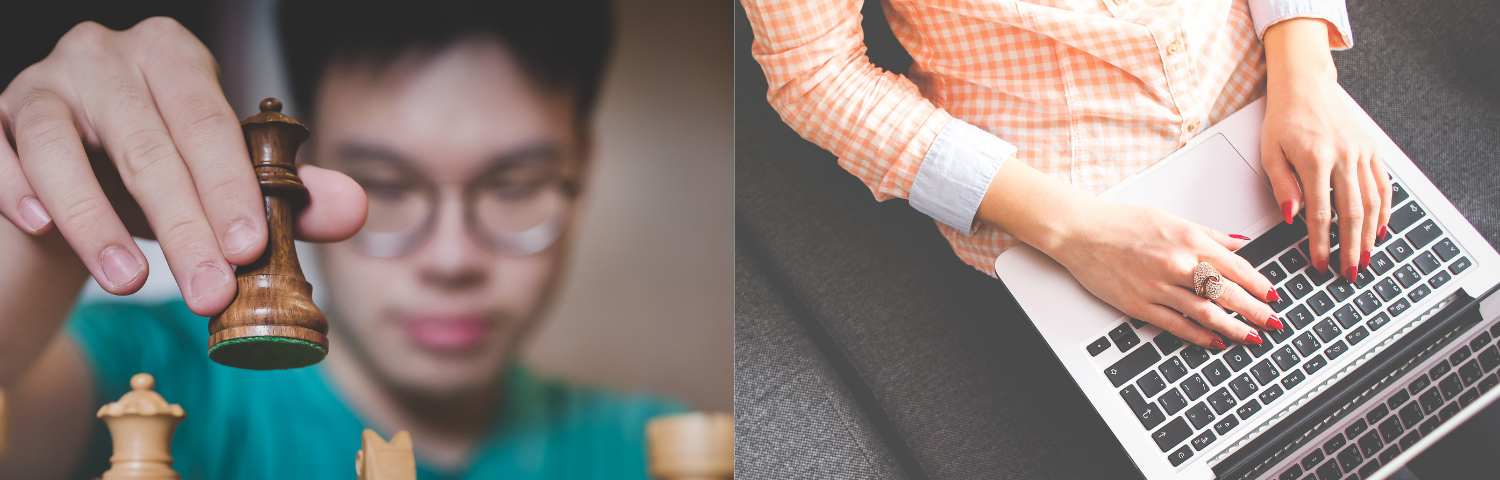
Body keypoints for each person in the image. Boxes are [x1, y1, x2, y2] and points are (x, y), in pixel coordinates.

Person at [0, 1, 685, 478]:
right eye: (385, 186)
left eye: (514, 187)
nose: (451, 261)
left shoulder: (658, 449)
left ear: (583, 166)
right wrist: (34, 240)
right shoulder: (146, 372)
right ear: (310, 171)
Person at [742, 0, 1388, 351]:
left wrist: (1307, 72)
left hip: (1280, 110)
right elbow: (818, 75)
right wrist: (1081, 231)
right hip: (1088, 233)